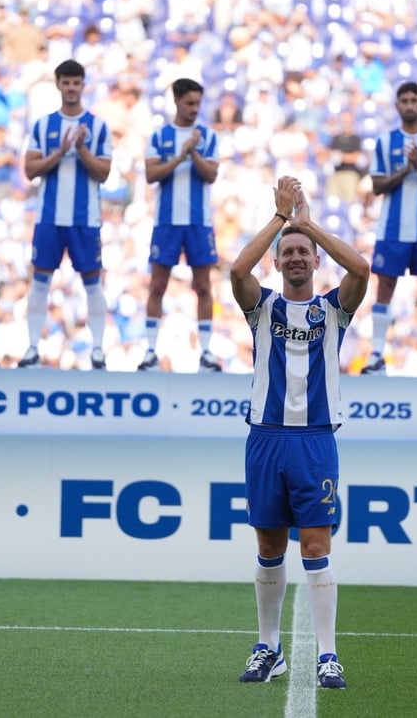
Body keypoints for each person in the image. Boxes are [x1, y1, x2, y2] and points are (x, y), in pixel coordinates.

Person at [229, 177, 367, 690]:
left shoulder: (333, 310)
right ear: (277, 260)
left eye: (302, 252)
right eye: (287, 251)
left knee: (314, 545)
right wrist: (280, 218)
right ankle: (269, 647)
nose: (294, 257)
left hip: (314, 440)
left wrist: (307, 223)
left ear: (314, 260)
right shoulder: (261, 307)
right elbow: (237, 269)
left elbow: (361, 269)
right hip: (265, 437)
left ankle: (328, 654)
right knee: (268, 545)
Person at [19, 59, 113, 370]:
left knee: (92, 283)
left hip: (85, 220)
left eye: (76, 83)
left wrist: (82, 149)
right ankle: (32, 348)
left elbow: (104, 174)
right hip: (49, 218)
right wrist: (60, 152)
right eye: (66, 82)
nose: (71, 88)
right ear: (58, 85)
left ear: (83, 85)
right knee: (40, 282)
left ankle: (97, 350)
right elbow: (30, 170)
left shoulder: (97, 127)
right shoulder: (43, 125)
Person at [361, 81, 417, 377]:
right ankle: (376, 355)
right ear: (398, 105)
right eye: (405, 100)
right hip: (391, 229)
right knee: (384, 288)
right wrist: (404, 170)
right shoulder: (385, 143)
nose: (410, 105)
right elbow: (376, 186)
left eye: (415, 100)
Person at [139, 78, 222, 373]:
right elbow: (151, 174)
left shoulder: (208, 137)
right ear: (176, 101)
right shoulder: (160, 137)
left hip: (199, 222)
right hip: (167, 221)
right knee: (158, 285)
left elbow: (211, 174)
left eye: (198, 103)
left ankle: (207, 352)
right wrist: (181, 154)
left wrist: (194, 152)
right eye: (189, 103)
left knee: (203, 285)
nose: (194, 109)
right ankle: (150, 351)